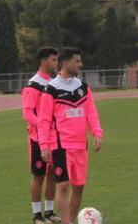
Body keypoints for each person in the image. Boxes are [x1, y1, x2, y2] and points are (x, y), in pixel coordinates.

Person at [38, 47, 103, 224]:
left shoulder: (83, 87)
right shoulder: (51, 89)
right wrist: (44, 145)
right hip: (60, 145)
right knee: (63, 185)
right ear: (66, 63)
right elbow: (43, 119)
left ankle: (72, 220)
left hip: (81, 145)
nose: (80, 65)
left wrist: (97, 132)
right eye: (77, 61)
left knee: (79, 187)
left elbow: (91, 112)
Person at [21, 47, 61, 223]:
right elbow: (27, 114)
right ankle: (36, 215)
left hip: (54, 138)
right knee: (39, 175)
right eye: (53, 60)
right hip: (37, 137)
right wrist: (45, 126)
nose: (56, 63)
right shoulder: (33, 85)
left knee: (52, 173)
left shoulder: (53, 83)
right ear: (44, 61)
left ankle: (49, 212)